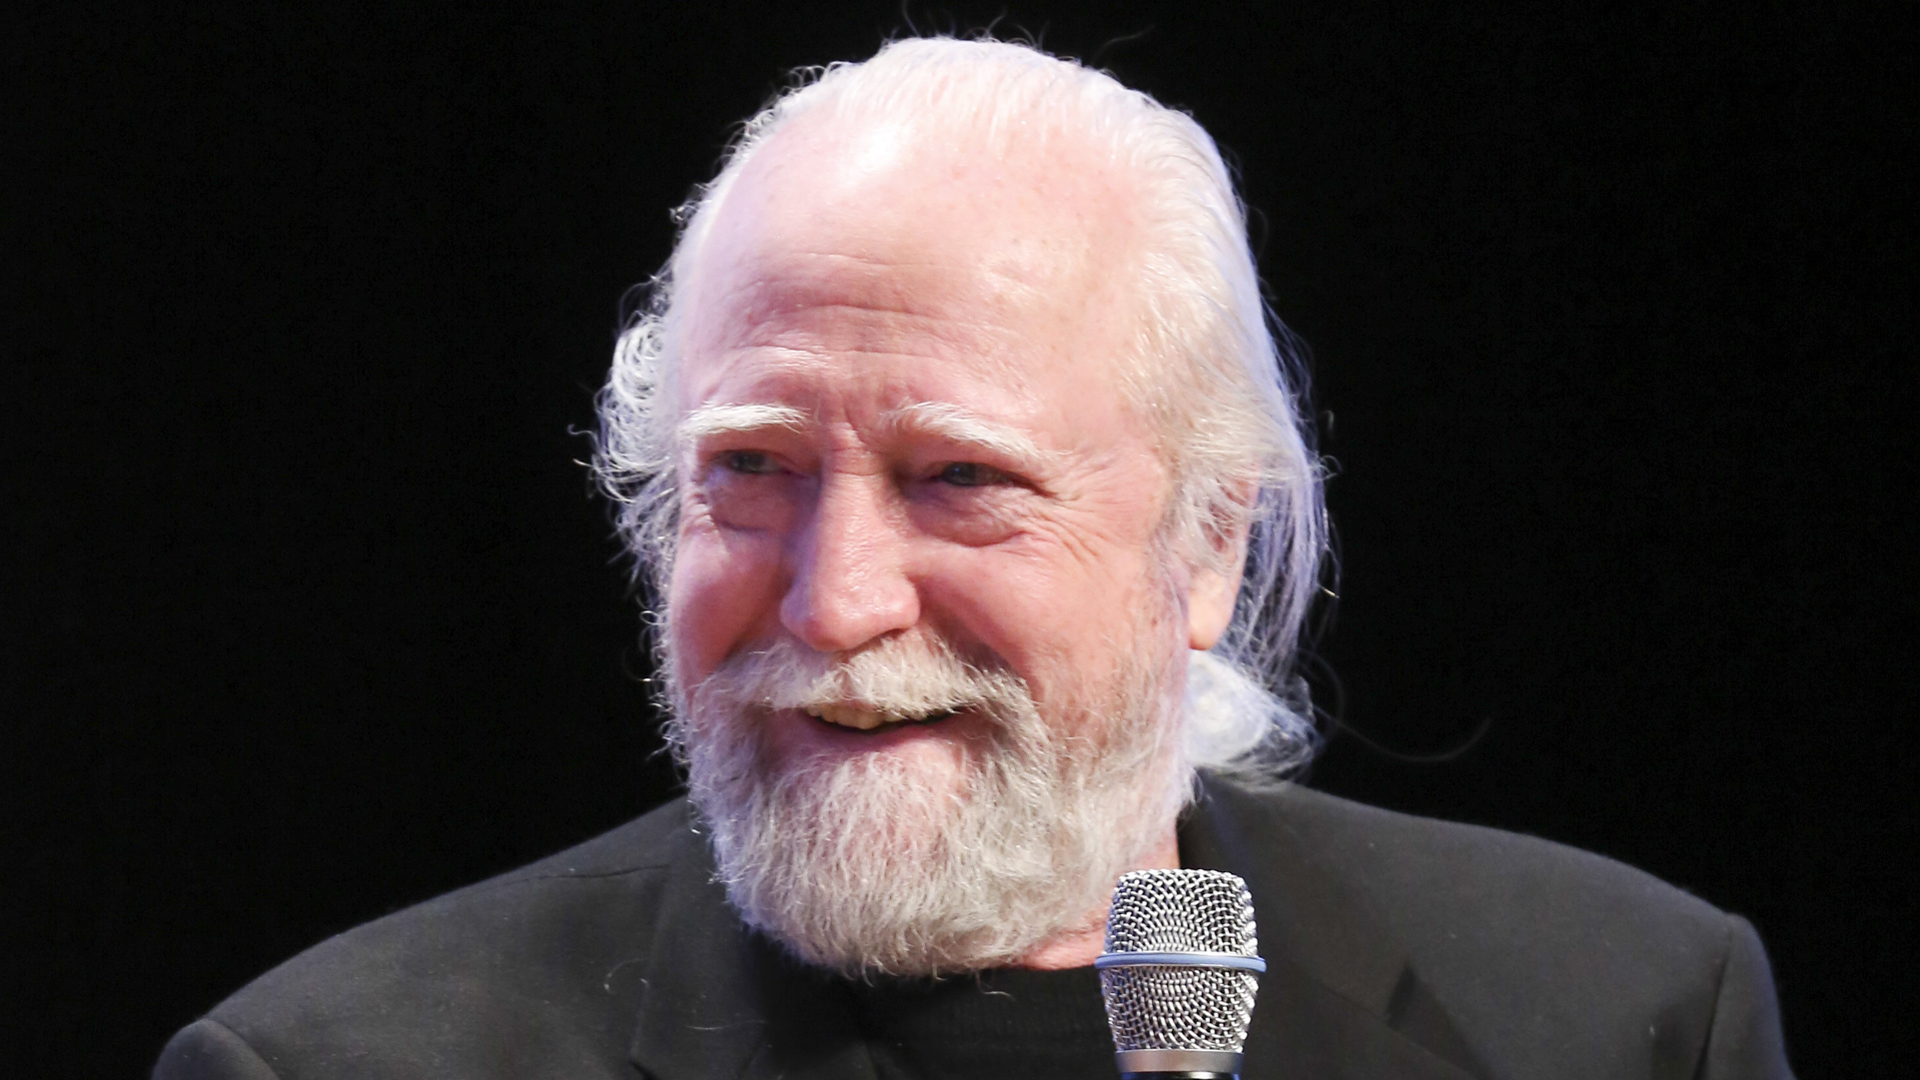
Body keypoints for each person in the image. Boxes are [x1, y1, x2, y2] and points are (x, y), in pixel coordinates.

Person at [154, 37, 1793, 1080]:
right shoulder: (333, 1065)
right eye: (753, 471)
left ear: (1207, 546)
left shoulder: (1626, 1014)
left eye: (959, 479)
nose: (836, 602)